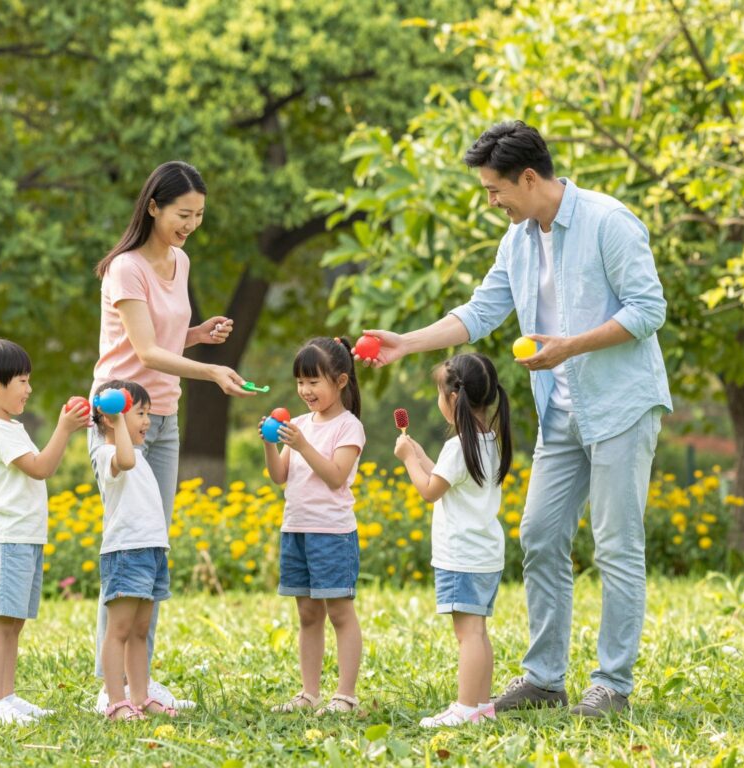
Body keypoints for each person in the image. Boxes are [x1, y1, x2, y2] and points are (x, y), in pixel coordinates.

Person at [360, 120, 672, 717]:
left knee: (616, 545)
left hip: (621, 406)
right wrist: (406, 343)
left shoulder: (609, 221)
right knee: (539, 535)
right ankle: (545, 679)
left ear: (529, 178)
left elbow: (648, 310)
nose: (492, 201)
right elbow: (480, 311)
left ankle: (612, 684)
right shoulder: (518, 240)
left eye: (495, 190)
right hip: (560, 412)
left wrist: (569, 346)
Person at [91, 160, 254, 712]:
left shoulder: (179, 262)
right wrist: (212, 370)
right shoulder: (124, 269)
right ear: (154, 206)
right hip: (120, 419)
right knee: (125, 542)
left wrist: (198, 337)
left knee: (153, 544)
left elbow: (163, 340)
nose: (190, 225)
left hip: (164, 417)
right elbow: (141, 353)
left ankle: (142, 682)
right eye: (183, 214)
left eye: (199, 216)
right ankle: (109, 686)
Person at [0, 338, 89, 724]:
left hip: (23, 536)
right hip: (6, 537)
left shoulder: (9, 427)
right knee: (1, 621)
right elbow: (41, 467)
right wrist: (64, 429)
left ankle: (6, 697)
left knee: (13, 622)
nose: (28, 389)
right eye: (21, 380)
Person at [394, 353, 512, 727]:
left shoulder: (459, 445)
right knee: (479, 632)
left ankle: (464, 707)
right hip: (484, 553)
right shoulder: (487, 439)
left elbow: (430, 490)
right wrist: (423, 455)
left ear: (452, 398)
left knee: (468, 635)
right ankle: (480, 706)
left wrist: (407, 460)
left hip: (461, 556)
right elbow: (447, 479)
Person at [261, 337, 366, 715]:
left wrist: (303, 444)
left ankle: (346, 695)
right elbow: (279, 476)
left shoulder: (348, 427)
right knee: (307, 614)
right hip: (297, 530)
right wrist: (271, 443)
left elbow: (336, 477)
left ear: (340, 381)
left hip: (333, 534)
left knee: (339, 611)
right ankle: (309, 693)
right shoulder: (300, 424)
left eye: (313, 382)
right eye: (300, 383)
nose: (305, 391)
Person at [89, 380, 175, 721]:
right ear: (112, 419)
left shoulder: (138, 456)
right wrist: (119, 418)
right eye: (140, 413)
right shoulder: (108, 454)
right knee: (120, 630)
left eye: (148, 414)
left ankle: (139, 696)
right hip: (126, 554)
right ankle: (116, 702)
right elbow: (123, 459)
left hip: (151, 552)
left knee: (140, 630)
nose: (147, 422)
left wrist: (124, 417)